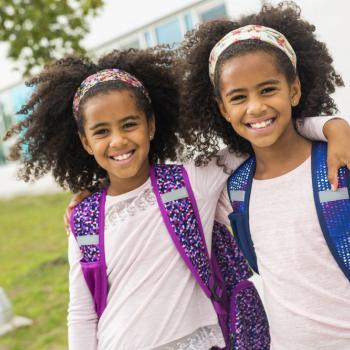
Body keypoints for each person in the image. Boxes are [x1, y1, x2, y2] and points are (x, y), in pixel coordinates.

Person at [6, 47, 349, 350]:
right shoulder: (84, 219)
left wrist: (331, 127)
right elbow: (81, 314)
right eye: (101, 132)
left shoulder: (190, 181)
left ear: (151, 126)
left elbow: (262, 134)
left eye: (129, 125)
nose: (118, 141)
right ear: (84, 142)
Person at [178, 1, 350, 349]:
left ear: (294, 90)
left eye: (268, 89)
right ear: (223, 110)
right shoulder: (233, 190)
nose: (255, 107)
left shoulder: (338, 163)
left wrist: (335, 128)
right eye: (238, 97)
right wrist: (93, 193)